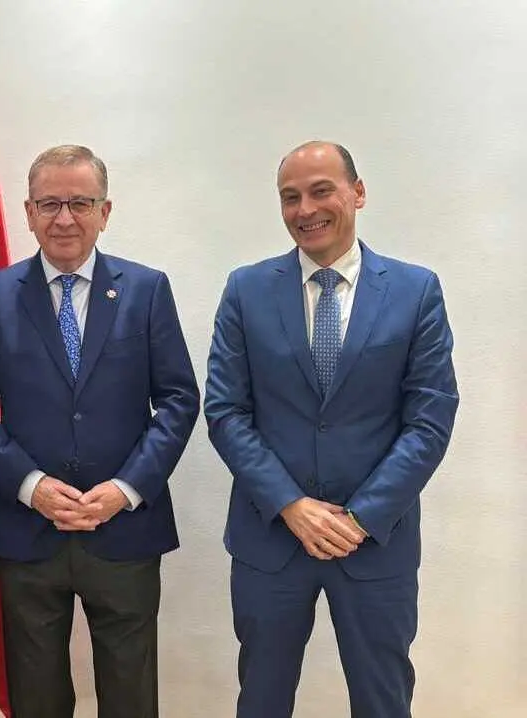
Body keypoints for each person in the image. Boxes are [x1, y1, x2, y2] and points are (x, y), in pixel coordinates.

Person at [204, 141, 459, 718]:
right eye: (290, 197)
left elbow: (431, 417)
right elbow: (225, 411)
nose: (305, 209)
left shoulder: (416, 291)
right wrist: (292, 504)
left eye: (322, 190)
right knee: (262, 700)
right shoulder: (245, 290)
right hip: (271, 540)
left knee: (383, 700)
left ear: (358, 193)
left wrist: (362, 516)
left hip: (375, 543)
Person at [0, 145, 200, 717]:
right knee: (36, 694)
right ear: (28, 211)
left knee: (130, 693)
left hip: (124, 527)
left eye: (80, 203)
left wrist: (126, 489)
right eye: (50, 204)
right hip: (27, 528)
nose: (65, 218)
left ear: (105, 211)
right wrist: (32, 485)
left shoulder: (147, 290)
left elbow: (179, 401)